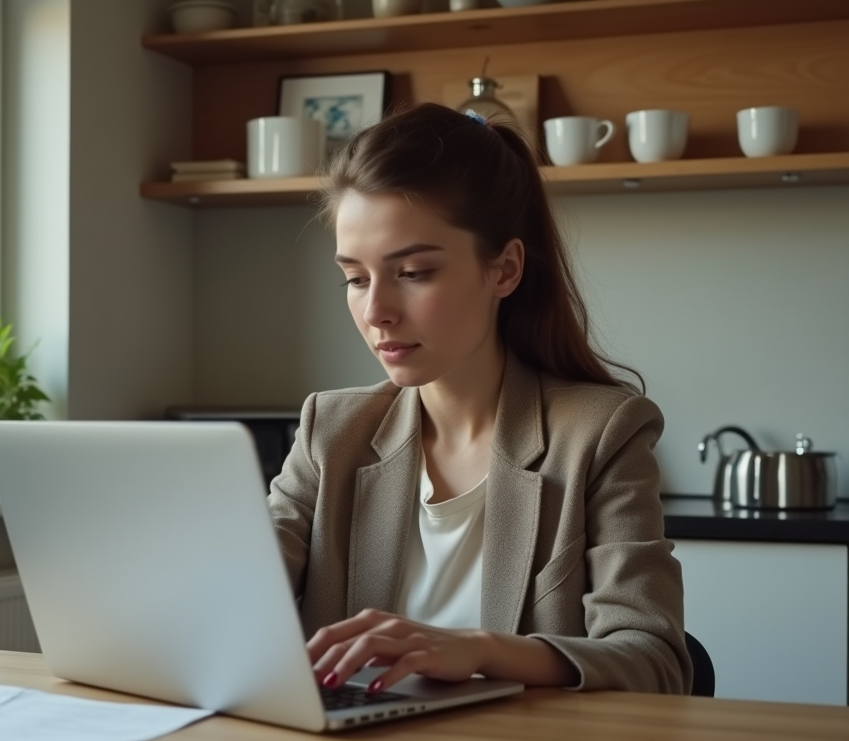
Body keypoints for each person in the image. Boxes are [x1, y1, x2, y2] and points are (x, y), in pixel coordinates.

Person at [268, 103, 692, 696]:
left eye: (413, 272)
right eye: (356, 278)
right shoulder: (331, 431)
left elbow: (655, 662)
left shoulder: (600, 434)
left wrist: (478, 650)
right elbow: (230, 600)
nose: (375, 311)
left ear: (505, 270)